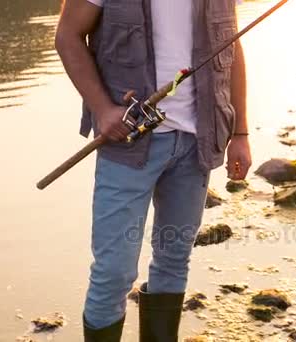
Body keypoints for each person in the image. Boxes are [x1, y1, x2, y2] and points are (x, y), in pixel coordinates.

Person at [54, 0, 251, 341]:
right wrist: (102, 108)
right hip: (127, 147)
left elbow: (231, 45)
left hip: (196, 144)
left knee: (173, 263)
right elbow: (67, 35)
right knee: (113, 273)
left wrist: (241, 134)